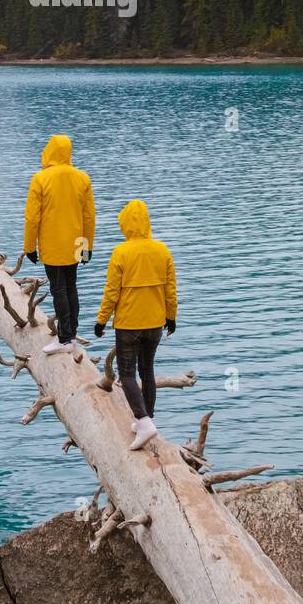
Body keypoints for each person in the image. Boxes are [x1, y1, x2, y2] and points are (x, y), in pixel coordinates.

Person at [94, 200, 177, 450]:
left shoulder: (121, 252)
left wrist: (101, 320)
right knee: (147, 371)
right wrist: (171, 317)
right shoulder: (162, 250)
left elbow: (112, 293)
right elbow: (170, 289)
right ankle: (148, 418)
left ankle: (142, 421)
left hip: (129, 324)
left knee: (127, 374)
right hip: (155, 323)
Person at [23, 134, 96, 354]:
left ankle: (65, 340)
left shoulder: (40, 178)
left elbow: (32, 218)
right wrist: (87, 247)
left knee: (58, 290)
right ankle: (70, 334)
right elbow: (89, 217)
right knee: (71, 287)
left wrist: (29, 247)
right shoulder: (82, 178)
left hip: (52, 244)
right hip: (75, 243)